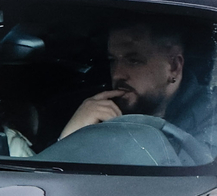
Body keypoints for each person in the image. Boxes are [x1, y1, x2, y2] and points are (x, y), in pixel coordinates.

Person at [59, 19, 190, 139]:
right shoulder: (96, 110)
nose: (116, 75)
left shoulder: (206, 123)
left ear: (174, 67)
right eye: (112, 60)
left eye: (134, 61)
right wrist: (72, 138)